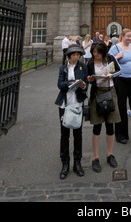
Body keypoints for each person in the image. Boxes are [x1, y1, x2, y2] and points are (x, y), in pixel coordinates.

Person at [87, 41, 121, 172]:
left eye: (98, 52)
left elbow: (119, 71)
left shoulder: (111, 59)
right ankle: (95, 157)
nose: (96, 55)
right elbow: (86, 78)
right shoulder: (90, 63)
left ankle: (110, 154)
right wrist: (89, 79)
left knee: (110, 125)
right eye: (94, 52)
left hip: (110, 93)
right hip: (97, 94)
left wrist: (111, 75)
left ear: (103, 52)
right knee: (97, 126)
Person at [55, 44, 88, 180]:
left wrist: (82, 85)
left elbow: (85, 84)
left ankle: (77, 163)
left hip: (77, 103)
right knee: (64, 135)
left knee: (78, 134)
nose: (76, 57)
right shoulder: (63, 68)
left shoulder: (82, 67)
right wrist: (70, 83)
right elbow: (59, 84)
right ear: (69, 56)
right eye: (74, 55)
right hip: (65, 104)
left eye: (78, 55)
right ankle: (65, 163)